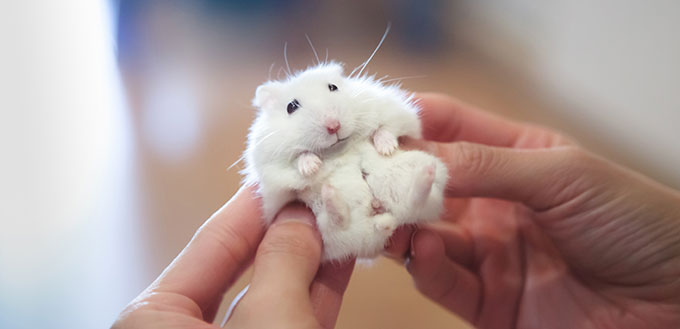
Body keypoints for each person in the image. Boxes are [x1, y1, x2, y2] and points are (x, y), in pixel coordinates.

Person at [112, 93, 680, 329]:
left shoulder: (361, 106)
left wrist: (391, 137)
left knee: (410, 176)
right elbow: (271, 179)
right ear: (272, 109)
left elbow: (401, 114)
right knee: (336, 230)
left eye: (333, 91)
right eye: (297, 107)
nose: (330, 119)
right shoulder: (273, 146)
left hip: (389, 182)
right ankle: (344, 217)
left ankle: (412, 193)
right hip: (337, 216)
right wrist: (305, 180)